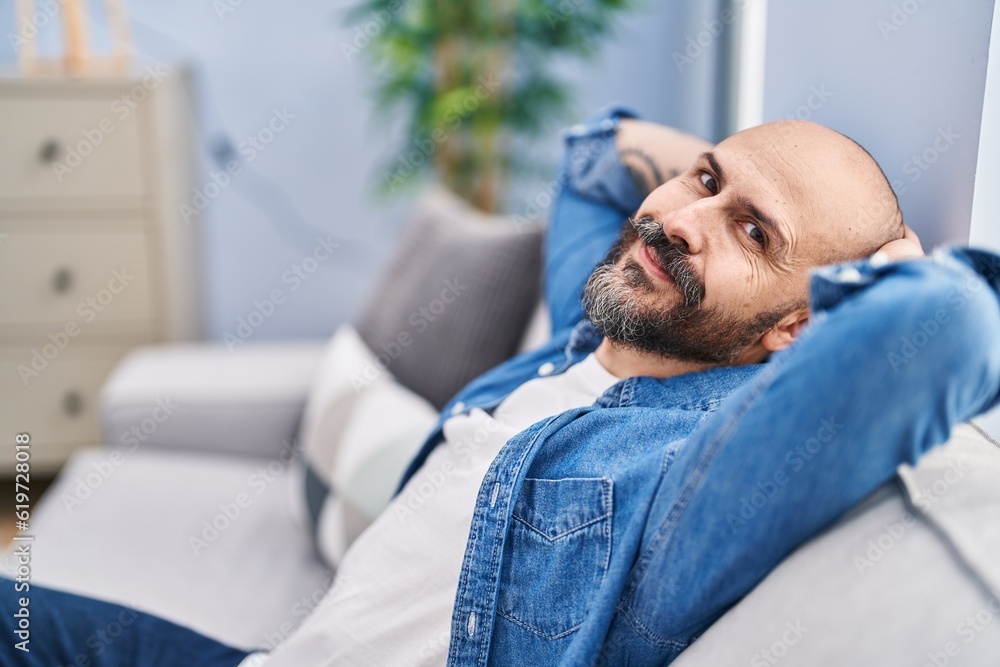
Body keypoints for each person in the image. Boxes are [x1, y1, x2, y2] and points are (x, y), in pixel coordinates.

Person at [4, 108, 999, 667]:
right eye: (703, 179)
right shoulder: (591, 330)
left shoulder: (696, 480)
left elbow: (947, 331)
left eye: (754, 233)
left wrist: (882, 260)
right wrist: (732, 187)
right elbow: (591, 159)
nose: (686, 220)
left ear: (799, 323)